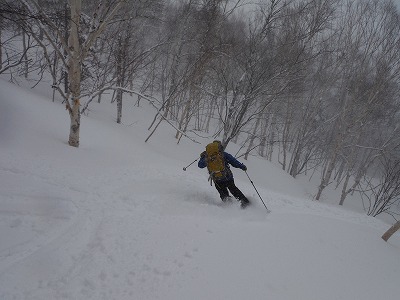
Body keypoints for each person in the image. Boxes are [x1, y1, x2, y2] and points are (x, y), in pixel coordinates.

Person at [198, 141, 250, 208]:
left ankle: (228, 206)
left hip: (217, 179)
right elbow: (234, 162)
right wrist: (242, 166)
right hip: (227, 177)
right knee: (233, 189)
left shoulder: (206, 156)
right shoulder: (223, 154)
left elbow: (200, 165)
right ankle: (245, 203)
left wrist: (204, 157)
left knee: (223, 193)